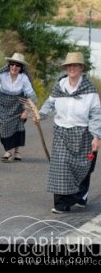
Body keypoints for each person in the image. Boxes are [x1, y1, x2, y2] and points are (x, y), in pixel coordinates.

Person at [35, 52, 101, 214]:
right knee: (60, 167)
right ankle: (61, 204)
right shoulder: (60, 86)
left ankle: (81, 195)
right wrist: (41, 114)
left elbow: (95, 114)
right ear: (66, 68)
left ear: (81, 68)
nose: (72, 68)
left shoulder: (89, 90)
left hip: (83, 134)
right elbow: (49, 103)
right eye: (69, 66)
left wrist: (96, 136)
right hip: (61, 133)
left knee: (83, 168)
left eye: (75, 65)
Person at [0, 53, 37, 162]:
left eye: (17, 65)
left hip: (18, 104)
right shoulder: (2, 74)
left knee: (18, 127)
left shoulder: (23, 78)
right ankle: (8, 150)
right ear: (9, 65)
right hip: (2, 104)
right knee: (4, 126)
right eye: (12, 64)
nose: (14, 67)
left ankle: (15, 151)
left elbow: (32, 96)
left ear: (21, 68)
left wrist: (27, 111)